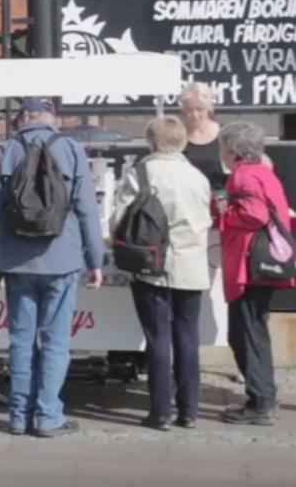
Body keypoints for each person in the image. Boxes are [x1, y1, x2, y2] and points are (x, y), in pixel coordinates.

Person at [0, 97, 104, 437]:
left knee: (21, 340)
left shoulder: (9, 148)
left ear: (24, 117)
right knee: (55, 341)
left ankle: (19, 416)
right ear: (54, 117)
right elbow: (86, 209)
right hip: (61, 258)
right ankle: (48, 417)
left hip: (16, 260)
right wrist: (95, 260)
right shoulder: (70, 147)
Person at [111, 116, 212, 431]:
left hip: (151, 265)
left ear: (151, 141)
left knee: (158, 339)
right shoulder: (197, 177)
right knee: (188, 338)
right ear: (182, 141)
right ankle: (189, 410)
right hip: (192, 264)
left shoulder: (140, 173)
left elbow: (118, 221)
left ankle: (160, 412)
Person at [216, 121, 296, 426]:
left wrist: (224, 213)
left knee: (246, 333)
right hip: (263, 264)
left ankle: (260, 402)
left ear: (234, 151)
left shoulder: (243, 175)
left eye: (223, 148)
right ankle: (262, 397)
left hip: (249, 264)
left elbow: (255, 214)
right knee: (254, 331)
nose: (221, 153)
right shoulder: (264, 172)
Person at [180, 82, 226, 192]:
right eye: (190, 110)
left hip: (219, 198)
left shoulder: (224, 134)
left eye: (200, 109)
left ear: (208, 108)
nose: (195, 115)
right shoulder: (179, 136)